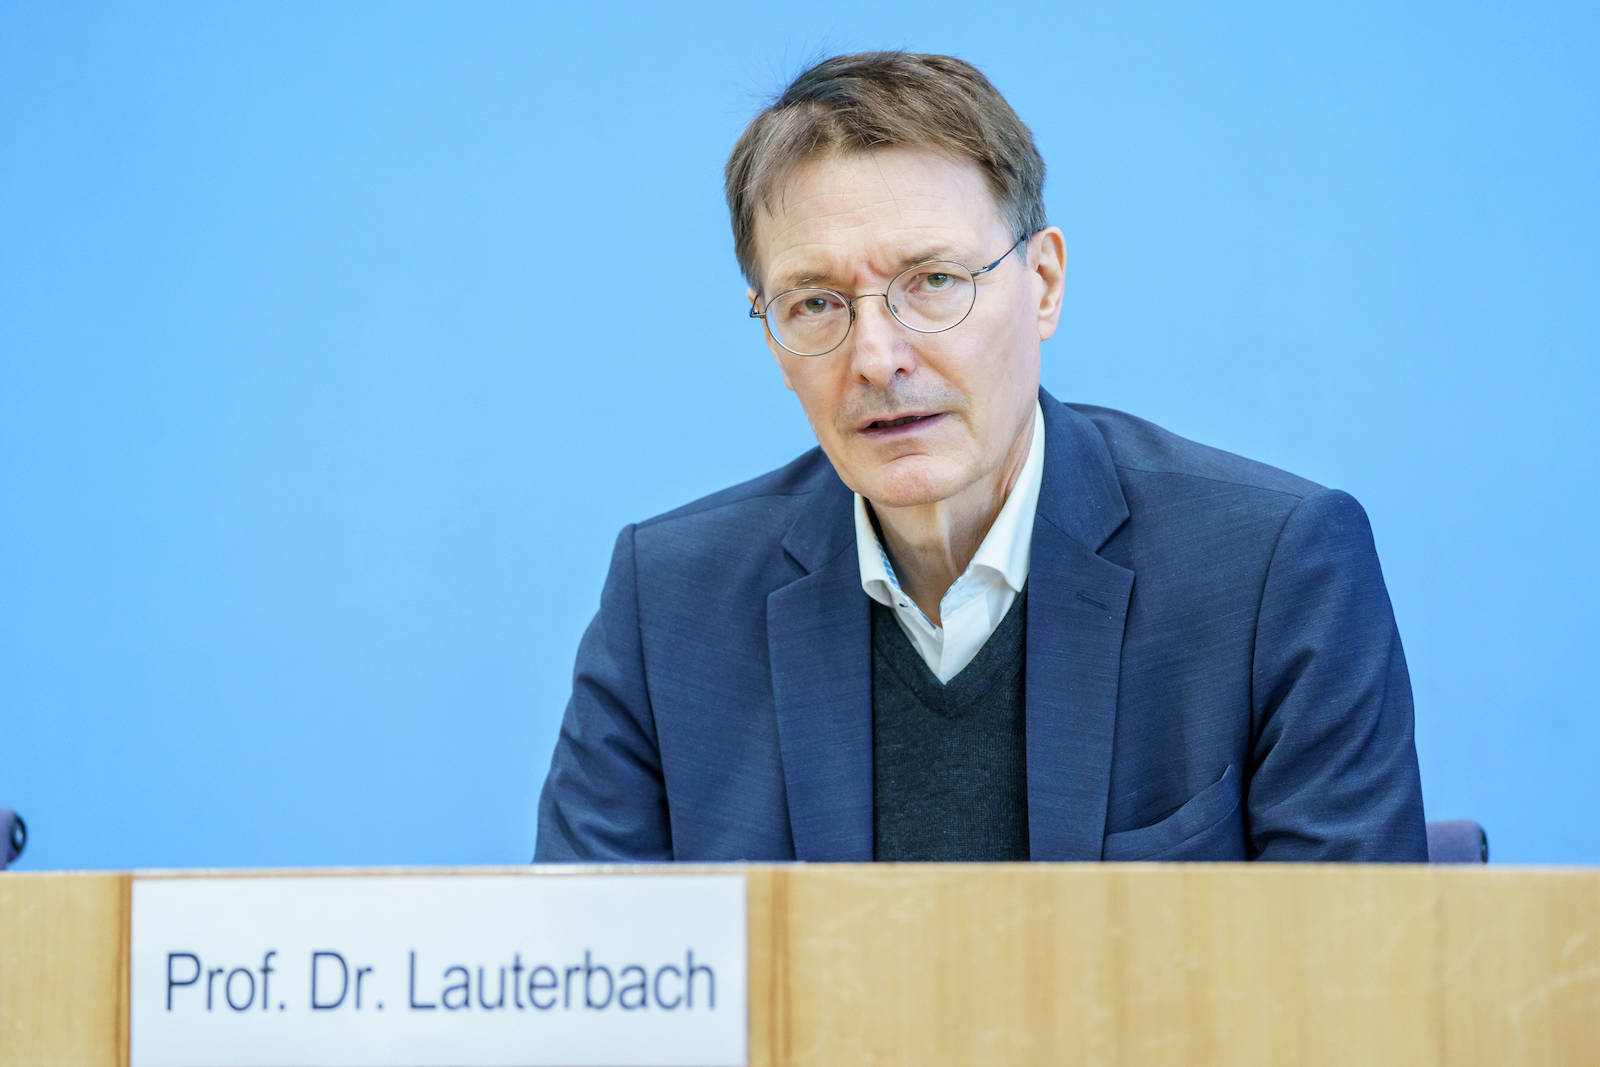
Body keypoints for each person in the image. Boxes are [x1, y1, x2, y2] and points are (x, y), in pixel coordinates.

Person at [535, 52, 1426, 863]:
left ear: (1043, 284)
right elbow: (579, 1002)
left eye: (933, 282)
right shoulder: (669, 604)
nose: (877, 357)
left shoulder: (1272, 573)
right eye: (814, 303)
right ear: (772, 335)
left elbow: (1354, 998)